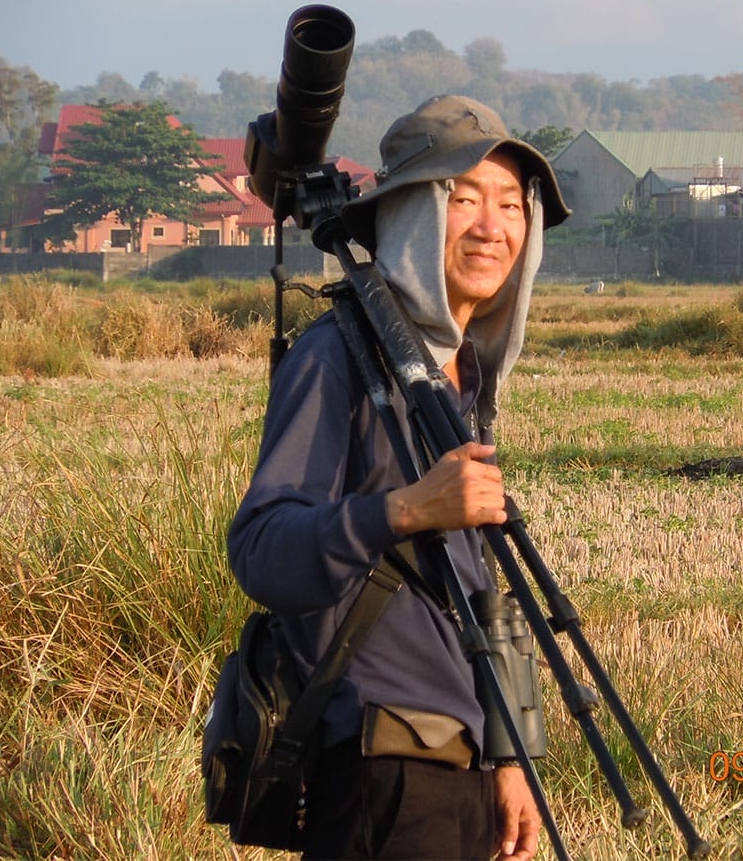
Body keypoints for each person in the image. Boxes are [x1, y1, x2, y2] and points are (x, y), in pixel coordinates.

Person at [227, 94, 570, 860]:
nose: (494, 227)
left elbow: (471, 587)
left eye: (513, 205)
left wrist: (510, 755)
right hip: (380, 771)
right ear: (410, 216)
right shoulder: (337, 357)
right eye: (465, 198)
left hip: (461, 769)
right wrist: (405, 510)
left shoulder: (459, 379)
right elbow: (261, 548)